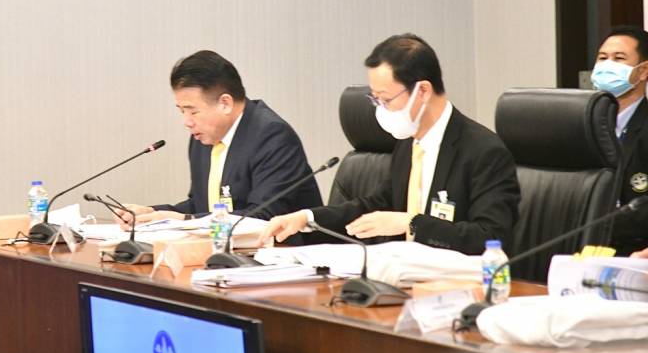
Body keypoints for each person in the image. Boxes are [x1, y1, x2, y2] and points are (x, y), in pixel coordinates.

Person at [259, 33, 520, 255]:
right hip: (405, 275)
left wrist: (412, 223)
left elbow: (490, 236)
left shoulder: (483, 151)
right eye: (375, 100)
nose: (380, 110)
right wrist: (308, 218)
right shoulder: (408, 144)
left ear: (423, 91)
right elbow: (377, 204)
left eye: (385, 99)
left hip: (458, 285)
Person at [123, 50, 321, 223]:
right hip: (225, 250)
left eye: (193, 111)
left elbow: (263, 216)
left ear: (225, 103)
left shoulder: (272, 136)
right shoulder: (204, 137)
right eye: (182, 111)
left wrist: (185, 220)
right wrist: (153, 213)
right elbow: (201, 206)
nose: (187, 122)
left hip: (283, 251)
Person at [589, 25, 648, 256]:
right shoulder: (579, 125)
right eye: (602, 58)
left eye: (619, 58)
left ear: (643, 71)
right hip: (581, 248)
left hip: (635, 253)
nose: (607, 66)